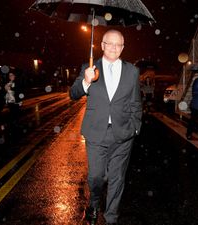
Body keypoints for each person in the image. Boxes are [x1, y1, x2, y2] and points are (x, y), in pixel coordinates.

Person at [69, 29, 142, 225]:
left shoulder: (132, 71)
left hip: (123, 134)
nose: (114, 48)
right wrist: (86, 80)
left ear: (123, 47)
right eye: (110, 43)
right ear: (102, 45)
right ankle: (93, 203)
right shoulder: (89, 67)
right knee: (96, 177)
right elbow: (73, 94)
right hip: (96, 134)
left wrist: (135, 126)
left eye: (118, 44)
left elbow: (136, 102)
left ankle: (111, 218)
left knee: (117, 179)